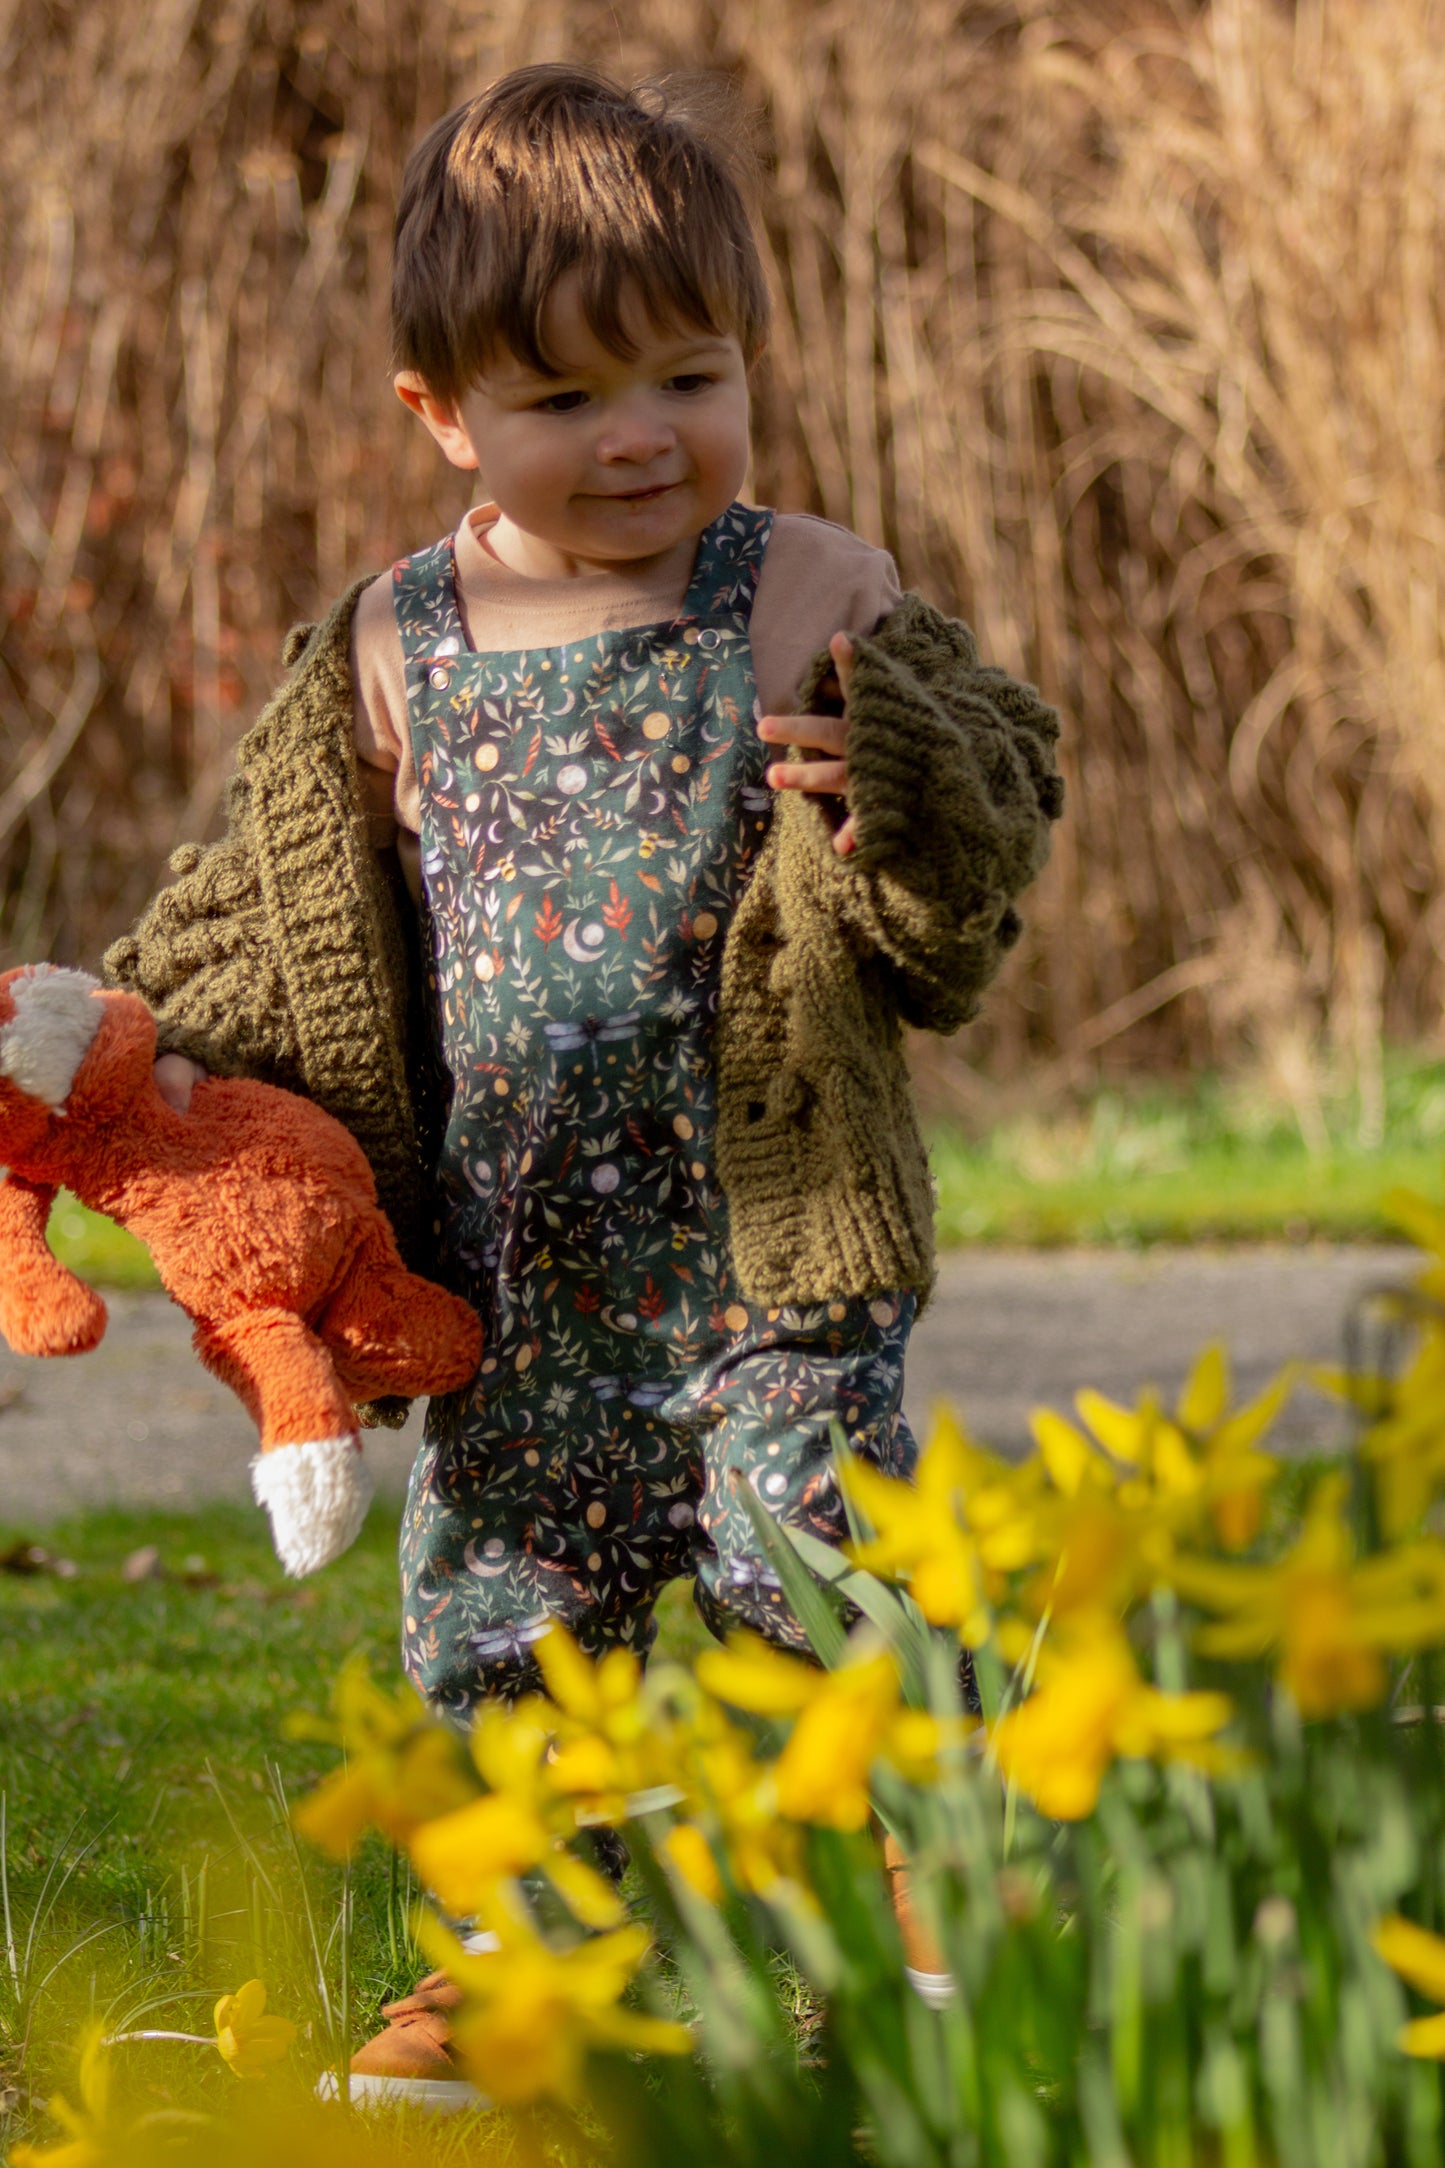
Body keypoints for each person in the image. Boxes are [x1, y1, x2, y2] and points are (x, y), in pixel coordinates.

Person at [105, 62, 1063, 2103]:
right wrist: (119, 1054)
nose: (640, 435)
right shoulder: (393, 642)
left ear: (748, 360)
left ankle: (930, 1863)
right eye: (563, 400)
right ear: (439, 415)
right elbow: (280, 921)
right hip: (509, 1266)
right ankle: (533, 1962)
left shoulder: (809, 589)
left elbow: (984, 835)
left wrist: (893, 795)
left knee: (811, 1533)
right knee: (518, 1615)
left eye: (689, 375)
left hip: (760, 1232)